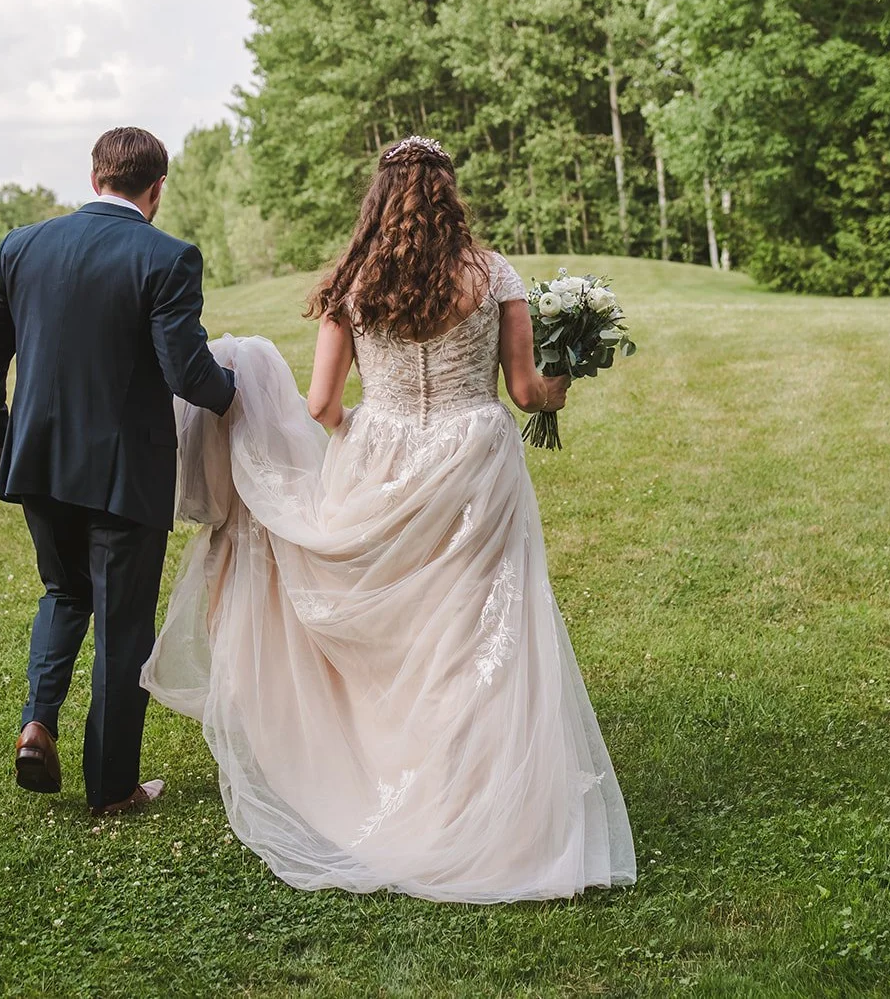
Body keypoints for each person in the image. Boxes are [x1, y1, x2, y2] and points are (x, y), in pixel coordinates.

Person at [141, 135, 636, 902]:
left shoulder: (356, 282)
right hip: (475, 458)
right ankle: (484, 804)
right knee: (479, 627)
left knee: (399, 627)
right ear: (449, 194)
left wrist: (366, 437)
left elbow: (320, 405)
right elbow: (526, 391)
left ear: (380, 198)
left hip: (383, 454)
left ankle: (395, 778)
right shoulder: (494, 272)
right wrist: (563, 379)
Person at [0, 126, 234, 816]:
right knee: (121, 622)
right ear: (158, 188)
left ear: (94, 179)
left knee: (63, 591)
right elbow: (185, 370)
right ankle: (112, 787)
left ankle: (37, 720)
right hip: (123, 474)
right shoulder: (167, 256)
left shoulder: (22, 245)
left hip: (39, 459)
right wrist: (242, 395)